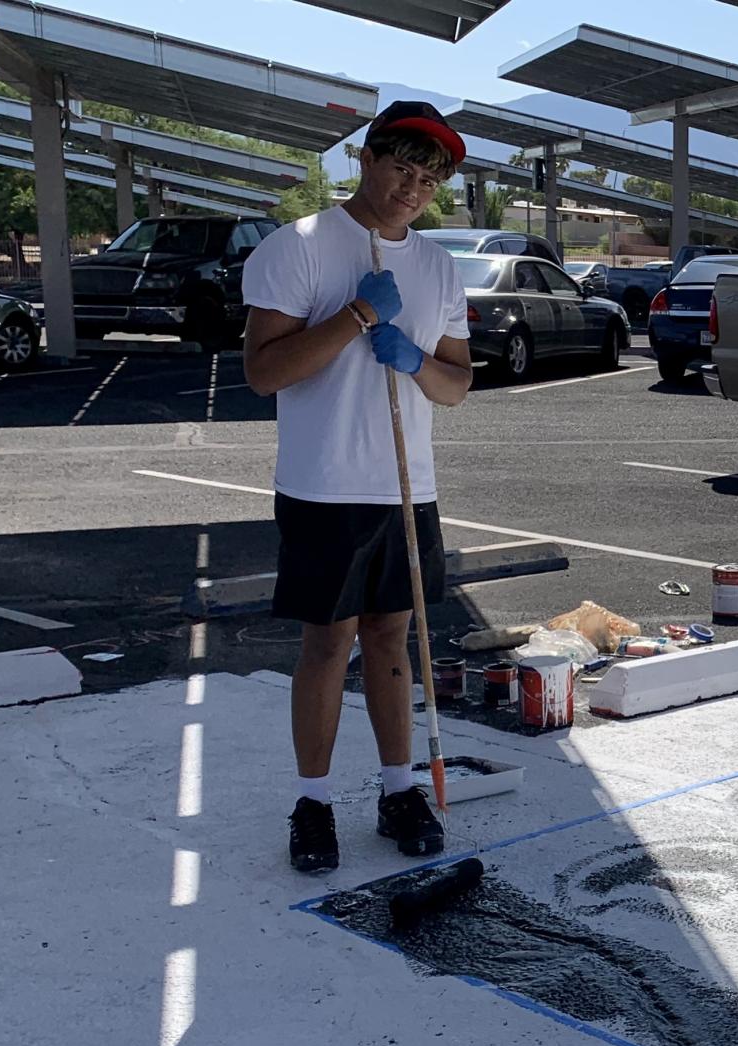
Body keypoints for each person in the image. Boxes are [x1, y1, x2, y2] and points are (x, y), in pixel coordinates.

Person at [241, 101, 475, 873]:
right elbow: (263, 372)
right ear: (367, 159)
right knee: (327, 641)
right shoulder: (299, 247)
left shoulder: (439, 265)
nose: (414, 187)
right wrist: (356, 316)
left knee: (390, 637)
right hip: (323, 485)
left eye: (430, 177)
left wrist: (414, 359)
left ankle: (399, 787)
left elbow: (456, 385)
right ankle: (312, 803)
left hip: (406, 487)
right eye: (403, 167)